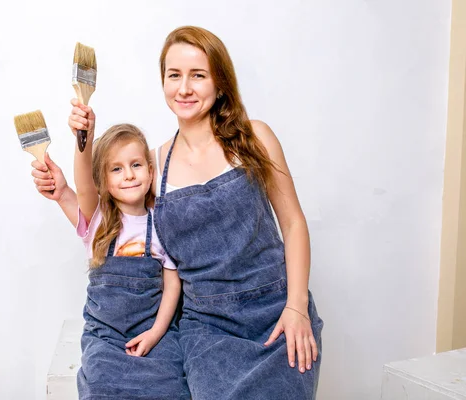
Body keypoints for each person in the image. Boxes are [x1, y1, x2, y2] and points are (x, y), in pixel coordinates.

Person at [33, 25, 324, 399]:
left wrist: (296, 307)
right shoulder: (153, 165)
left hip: (276, 311)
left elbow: (294, 223)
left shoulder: (257, 138)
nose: (184, 88)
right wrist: (80, 146)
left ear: (219, 83)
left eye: (197, 75)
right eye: (174, 76)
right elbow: (96, 209)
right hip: (208, 330)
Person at [31, 111, 190, 399]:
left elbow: (172, 286)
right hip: (105, 336)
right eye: (116, 169)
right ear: (102, 179)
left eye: (136, 164)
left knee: (171, 387)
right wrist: (85, 139)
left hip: (154, 331)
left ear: (151, 172)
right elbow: (81, 187)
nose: (128, 174)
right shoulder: (99, 221)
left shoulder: (162, 223)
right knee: (102, 386)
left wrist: (156, 333)